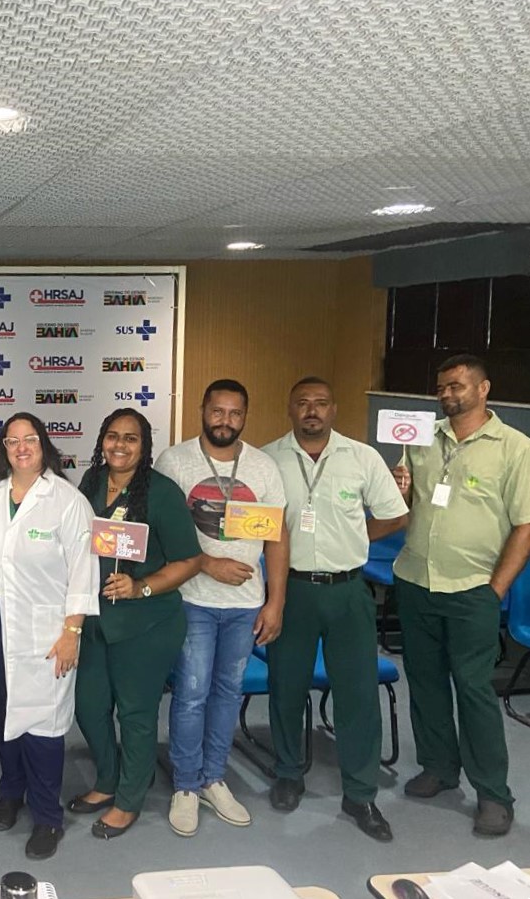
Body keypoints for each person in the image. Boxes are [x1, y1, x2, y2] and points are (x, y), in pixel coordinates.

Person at [262, 378, 408, 841]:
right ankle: (289, 773)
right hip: (291, 590)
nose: (312, 410)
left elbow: (395, 514)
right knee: (286, 685)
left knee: (358, 694)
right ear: (290, 408)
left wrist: (356, 536)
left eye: (321, 403)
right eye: (303, 403)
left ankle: (360, 793)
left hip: (348, 590)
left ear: (334, 409)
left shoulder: (362, 458)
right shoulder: (266, 459)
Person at [392, 354, 530, 837]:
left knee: (473, 690)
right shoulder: (420, 438)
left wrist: (496, 591)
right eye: (441, 388)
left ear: (483, 388)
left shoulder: (515, 448)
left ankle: (493, 793)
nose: (447, 394)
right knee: (425, 682)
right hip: (415, 581)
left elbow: (525, 526)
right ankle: (439, 768)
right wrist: (397, 489)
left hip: (473, 589)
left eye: (457, 386)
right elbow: (402, 506)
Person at [153, 378, 289, 837]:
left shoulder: (264, 467)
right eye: (217, 411)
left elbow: (278, 537)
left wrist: (275, 601)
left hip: (246, 605)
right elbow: (161, 532)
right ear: (202, 410)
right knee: (191, 693)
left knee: (228, 694)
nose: (225, 420)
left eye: (234, 413)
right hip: (193, 600)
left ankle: (213, 778)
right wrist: (207, 563)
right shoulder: (174, 462)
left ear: (244, 416)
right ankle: (186, 785)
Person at [0, 412, 99, 860]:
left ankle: (47, 817)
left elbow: (84, 570)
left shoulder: (67, 500)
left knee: (43, 726)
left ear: (44, 445)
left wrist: (72, 631)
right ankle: (11, 791)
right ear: (3, 447)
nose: (21, 447)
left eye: (30, 439)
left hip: (46, 632)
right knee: (0, 714)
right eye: (12, 440)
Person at [66, 408, 202, 840]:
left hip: (147, 625)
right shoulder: (91, 482)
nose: (119, 445)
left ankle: (128, 800)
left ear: (144, 447)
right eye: (112, 436)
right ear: (101, 441)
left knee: (136, 714)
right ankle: (107, 780)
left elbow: (190, 560)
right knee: (89, 706)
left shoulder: (161, 492)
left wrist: (140, 586)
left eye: (130, 438)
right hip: (96, 621)